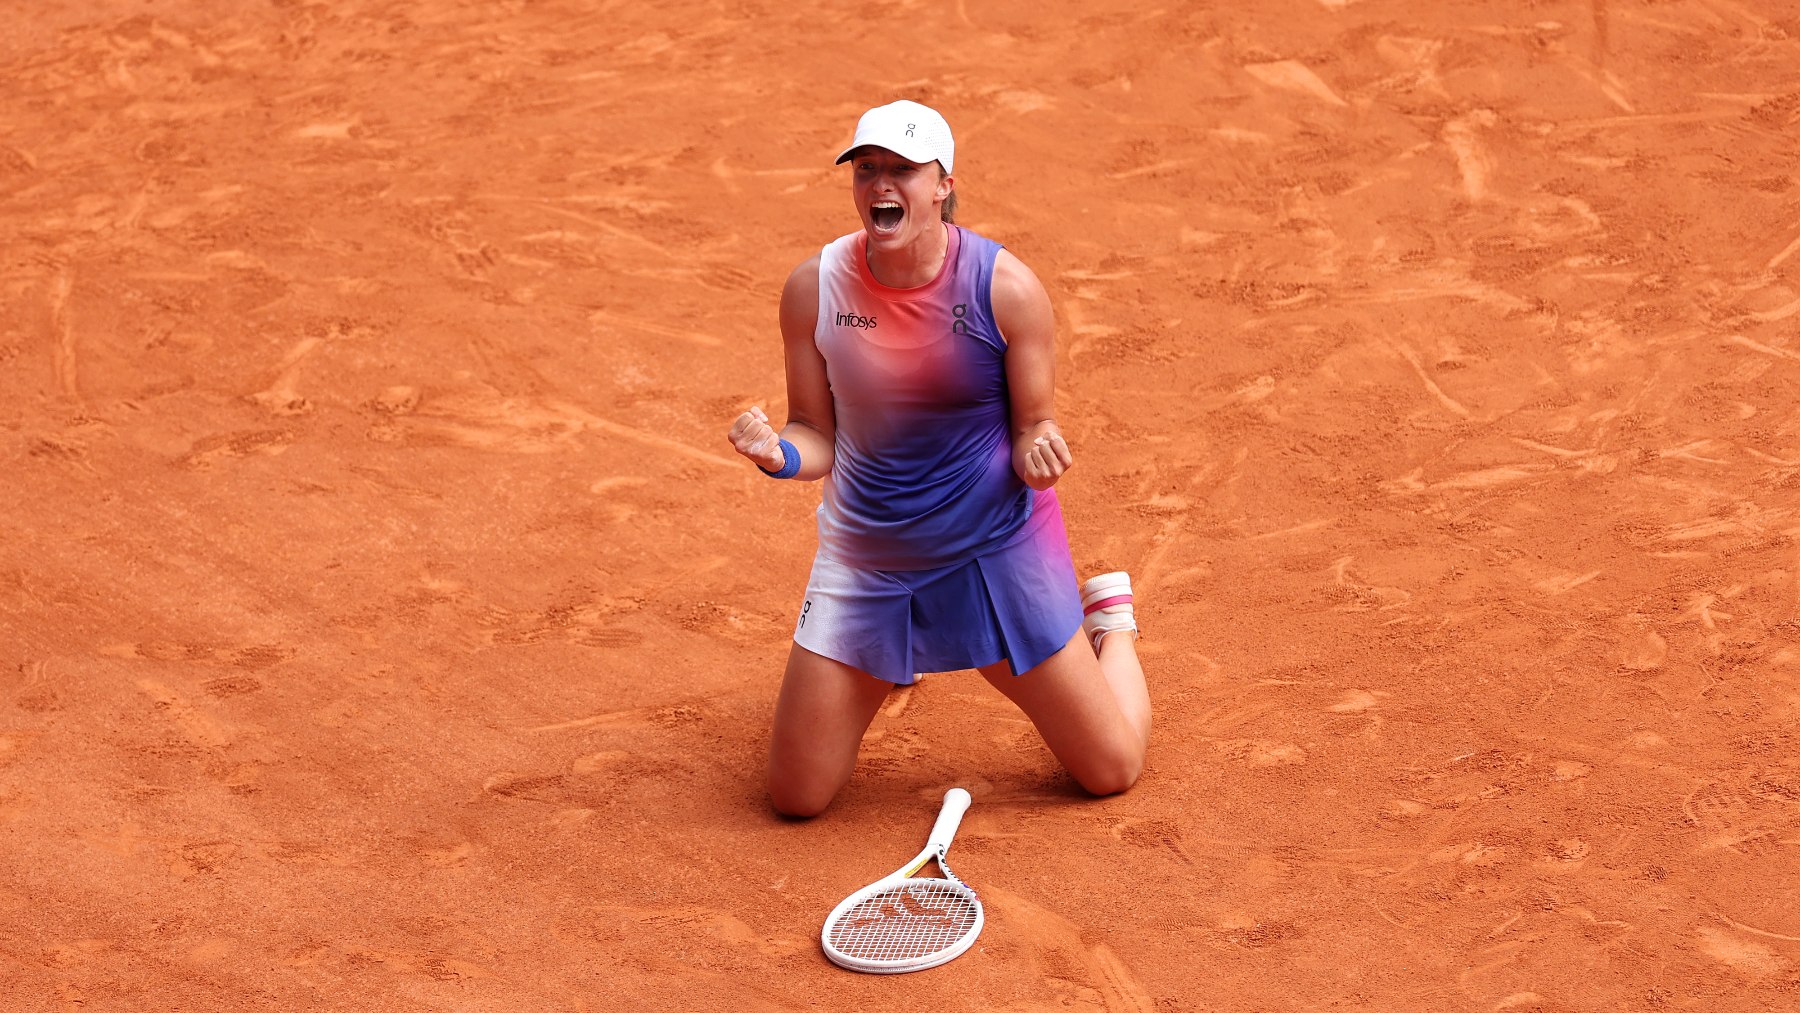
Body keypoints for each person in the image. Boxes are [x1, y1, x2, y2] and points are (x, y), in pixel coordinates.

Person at [726, 99, 1150, 817]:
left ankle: (1111, 622)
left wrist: (1036, 453)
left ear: (943, 184)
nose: (881, 185)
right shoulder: (814, 288)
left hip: (993, 551)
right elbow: (813, 433)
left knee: (1110, 768)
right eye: (867, 170)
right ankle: (894, 649)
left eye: (902, 170)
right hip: (870, 557)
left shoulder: (1005, 289)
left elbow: (1032, 427)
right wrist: (778, 454)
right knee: (796, 797)